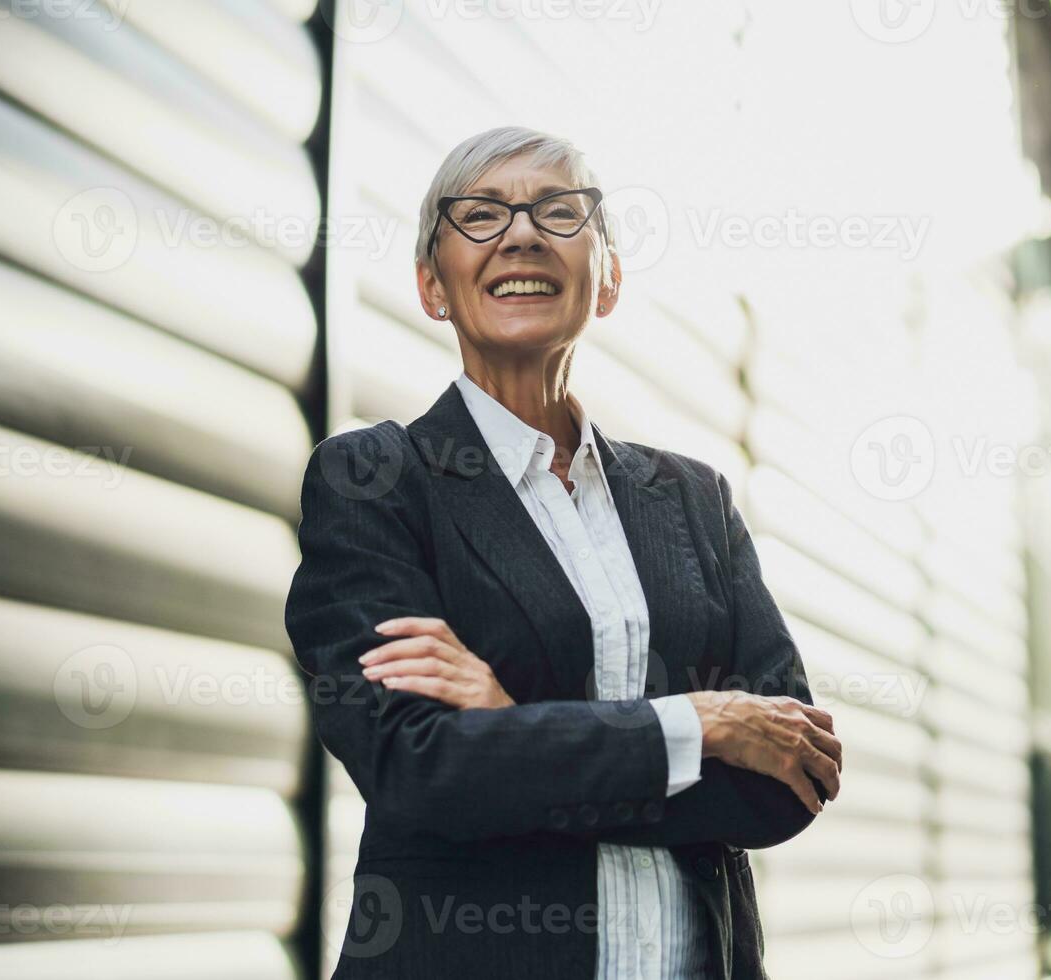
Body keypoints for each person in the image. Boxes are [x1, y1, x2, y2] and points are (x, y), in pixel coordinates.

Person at [284, 125, 841, 980]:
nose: (520, 233)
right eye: (478, 215)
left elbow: (790, 778)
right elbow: (418, 766)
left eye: (558, 210)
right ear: (433, 287)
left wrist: (515, 727)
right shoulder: (375, 480)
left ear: (608, 277)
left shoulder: (692, 499)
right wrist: (699, 727)